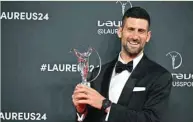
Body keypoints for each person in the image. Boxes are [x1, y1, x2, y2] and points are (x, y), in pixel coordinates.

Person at [72, 6, 172, 122]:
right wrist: (81, 111)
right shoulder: (97, 74)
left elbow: (152, 119)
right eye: (130, 29)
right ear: (120, 32)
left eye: (141, 31)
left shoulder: (160, 76)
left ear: (148, 36)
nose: (135, 37)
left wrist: (105, 104)